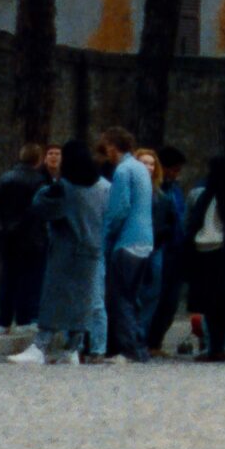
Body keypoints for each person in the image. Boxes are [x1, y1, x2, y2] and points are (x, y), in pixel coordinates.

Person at [17, 140, 108, 364]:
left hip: (66, 250)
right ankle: (72, 349)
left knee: (54, 299)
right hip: (92, 250)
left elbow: (41, 207)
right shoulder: (103, 187)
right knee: (82, 304)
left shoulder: (65, 188)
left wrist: (50, 187)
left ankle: (40, 346)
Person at [97, 128, 156, 363]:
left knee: (119, 298)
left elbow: (119, 209)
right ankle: (138, 345)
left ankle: (126, 349)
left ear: (113, 146)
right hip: (145, 240)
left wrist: (105, 236)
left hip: (126, 241)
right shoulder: (140, 169)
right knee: (132, 298)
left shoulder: (123, 170)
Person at [182, 154, 225, 361]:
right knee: (220, 302)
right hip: (219, 252)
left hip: (212, 251)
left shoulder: (211, 195)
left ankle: (217, 345)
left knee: (215, 303)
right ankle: (219, 345)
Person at [0, 146, 48, 331]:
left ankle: (3, 321)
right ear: (38, 159)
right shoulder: (39, 181)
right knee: (29, 279)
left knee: (8, 278)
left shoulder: (5, 178)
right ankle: (24, 319)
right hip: (31, 236)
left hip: (8, 234)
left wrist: (0, 228)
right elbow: (39, 209)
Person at [149, 146, 189, 354]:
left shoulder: (175, 189)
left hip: (176, 249)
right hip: (161, 247)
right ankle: (149, 340)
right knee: (156, 297)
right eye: (173, 169)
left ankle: (156, 341)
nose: (176, 174)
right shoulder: (157, 191)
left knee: (170, 301)